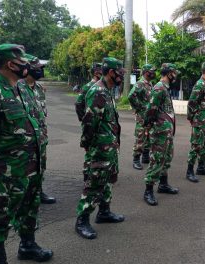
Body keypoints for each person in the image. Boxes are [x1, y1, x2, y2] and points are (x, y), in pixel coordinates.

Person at [0, 44, 53, 263]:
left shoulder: (23, 88)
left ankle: (27, 246)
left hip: (32, 166)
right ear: (11, 64)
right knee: (0, 216)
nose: (28, 66)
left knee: (29, 208)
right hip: (4, 172)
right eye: (23, 62)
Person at [75, 57, 125, 240]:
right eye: (120, 72)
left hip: (109, 146)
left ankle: (104, 212)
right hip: (99, 148)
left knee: (108, 180)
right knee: (94, 183)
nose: (122, 76)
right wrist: (89, 146)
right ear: (111, 72)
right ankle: (82, 220)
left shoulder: (107, 90)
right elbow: (89, 123)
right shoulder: (98, 91)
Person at [20, 54, 56, 204]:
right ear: (26, 69)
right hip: (24, 140)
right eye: (36, 69)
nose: (40, 71)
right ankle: (23, 197)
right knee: (24, 169)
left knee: (40, 166)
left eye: (41, 68)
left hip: (40, 137)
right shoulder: (17, 88)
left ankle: (38, 192)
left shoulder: (39, 88)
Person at [143, 63, 180, 206]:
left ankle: (163, 185)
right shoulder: (159, 88)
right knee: (157, 160)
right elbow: (150, 110)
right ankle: (148, 190)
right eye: (174, 73)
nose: (175, 75)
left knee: (167, 157)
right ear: (169, 73)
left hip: (166, 131)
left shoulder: (165, 88)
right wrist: (148, 127)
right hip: (159, 132)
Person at [128, 64, 156, 170]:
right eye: (151, 71)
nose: (153, 73)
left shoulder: (150, 84)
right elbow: (131, 96)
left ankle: (145, 157)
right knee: (140, 137)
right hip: (142, 116)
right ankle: (136, 159)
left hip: (149, 116)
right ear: (146, 72)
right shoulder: (140, 84)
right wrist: (140, 107)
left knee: (148, 137)